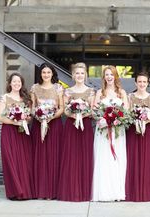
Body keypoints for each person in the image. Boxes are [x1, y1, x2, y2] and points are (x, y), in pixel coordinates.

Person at [57, 63, 95, 201]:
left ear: (85, 75)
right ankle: (70, 191)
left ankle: (84, 191)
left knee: (85, 156)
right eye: (77, 73)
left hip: (85, 126)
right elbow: (66, 110)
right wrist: (74, 115)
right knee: (70, 156)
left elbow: (92, 110)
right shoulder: (68, 91)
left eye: (82, 73)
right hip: (71, 125)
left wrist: (82, 115)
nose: (79, 75)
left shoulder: (91, 91)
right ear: (73, 75)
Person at [92, 65, 128, 201]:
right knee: (104, 158)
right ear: (104, 77)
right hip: (103, 131)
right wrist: (103, 119)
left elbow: (126, 112)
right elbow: (94, 112)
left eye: (111, 74)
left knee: (117, 159)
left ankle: (117, 193)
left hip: (118, 131)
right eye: (106, 75)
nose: (109, 77)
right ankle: (103, 192)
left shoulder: (122, 93)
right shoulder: (99, 93)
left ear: (115, 76)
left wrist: (116, 120)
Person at [0, 72, 34, 200]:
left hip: (23, 133)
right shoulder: (4, 98)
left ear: (22, 83)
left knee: (23, 161)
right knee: (11, 160)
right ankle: (14, 191)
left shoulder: (25, 99)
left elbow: (29, 117)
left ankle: (24, 191)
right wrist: (14, 121)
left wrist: (25, 119)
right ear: (10, 83)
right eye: (14, 81)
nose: (16, 84)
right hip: (8, 132)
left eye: (19, 81)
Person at [31, 63, 64, 199]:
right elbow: (32, 107)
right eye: (43, 72)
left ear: (52, 74)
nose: (46, 75)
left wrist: (50, 117)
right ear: (40, 74)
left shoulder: (58, 88)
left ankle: (52, 191)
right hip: (38, 125)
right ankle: (40, 190)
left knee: (53, 156)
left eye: (48, 72)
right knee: (39, 157)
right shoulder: (34, 88)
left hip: (54, 125)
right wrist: (39, 116)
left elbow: (61, 108)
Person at [125, 72, 150, 201]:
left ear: (148, 83)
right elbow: (127, 113)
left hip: (148, 131)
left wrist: (146, 120)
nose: (142, 84)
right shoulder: (130, 97)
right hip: (133, 131)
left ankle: (147, 191)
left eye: (144, 82)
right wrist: (136, 119)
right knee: (133, 158)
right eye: (139, 82)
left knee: (147, 159)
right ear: (135, 83)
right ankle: (133, 190)